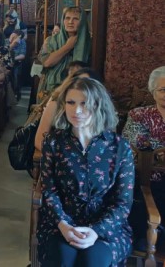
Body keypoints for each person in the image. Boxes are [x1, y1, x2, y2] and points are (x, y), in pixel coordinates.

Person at [37, 77, 134, 267]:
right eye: (71, 102)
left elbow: (123, 202)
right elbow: (49, 191)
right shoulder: (54, 142)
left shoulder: (119, 147)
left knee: (93, 261)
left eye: (85, 103)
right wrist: (63, 224)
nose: (77, 110)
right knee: (62, 258)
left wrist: (96, 231)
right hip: (62, 223)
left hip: (106, 227)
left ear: (99, 106)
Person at [123, 66, 165, 248]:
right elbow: (136, 144)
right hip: (148, 180)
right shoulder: (139, 115)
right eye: (163, 90)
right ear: (153, 92)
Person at [33, 68, 101, 151]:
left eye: (86, 84)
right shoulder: (55, 104)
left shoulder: (101, 109)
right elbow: (39, 141)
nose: (80, 87)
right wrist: (59, 155)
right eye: (78, 82)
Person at [39, 6, 91, 96]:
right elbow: (47, 62)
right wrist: (67, 46)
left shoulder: (90, 43)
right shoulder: (51, 41)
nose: (70, 22)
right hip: (50, 89)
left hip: (79, 89)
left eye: (75, 19)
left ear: (82, 22)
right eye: (67, 18)